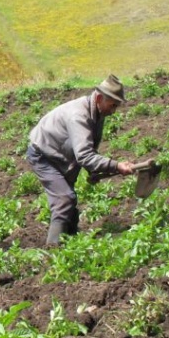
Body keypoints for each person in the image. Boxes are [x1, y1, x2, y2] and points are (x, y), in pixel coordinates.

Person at [26, 74, 135, 246]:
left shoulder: (97, 112)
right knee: (64, 198)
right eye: (112, 105)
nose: (114, 111)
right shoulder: (79, 115)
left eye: (117, 106)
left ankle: (72, 241)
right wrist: (116, 166)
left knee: (68, 199)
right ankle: (54, 250)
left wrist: (95, 171)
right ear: (99, 98)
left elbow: (90, 146)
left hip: (63, 153)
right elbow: (84, 155)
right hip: (43, 154)